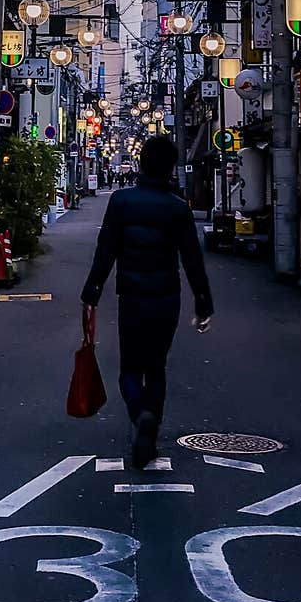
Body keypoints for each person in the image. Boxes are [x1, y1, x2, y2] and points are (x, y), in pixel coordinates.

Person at [80, 135, 214, 469]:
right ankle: (150, 426)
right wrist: (203, 301)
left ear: (141, 163)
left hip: (132, 297)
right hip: (167, 298)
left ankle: (140, 414)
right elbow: (192, 259)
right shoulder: (178, 208)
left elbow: (105, 250)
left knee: (130, 368)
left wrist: (92, 291)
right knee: (156, 367)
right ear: (170, 168)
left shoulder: (122, 202)